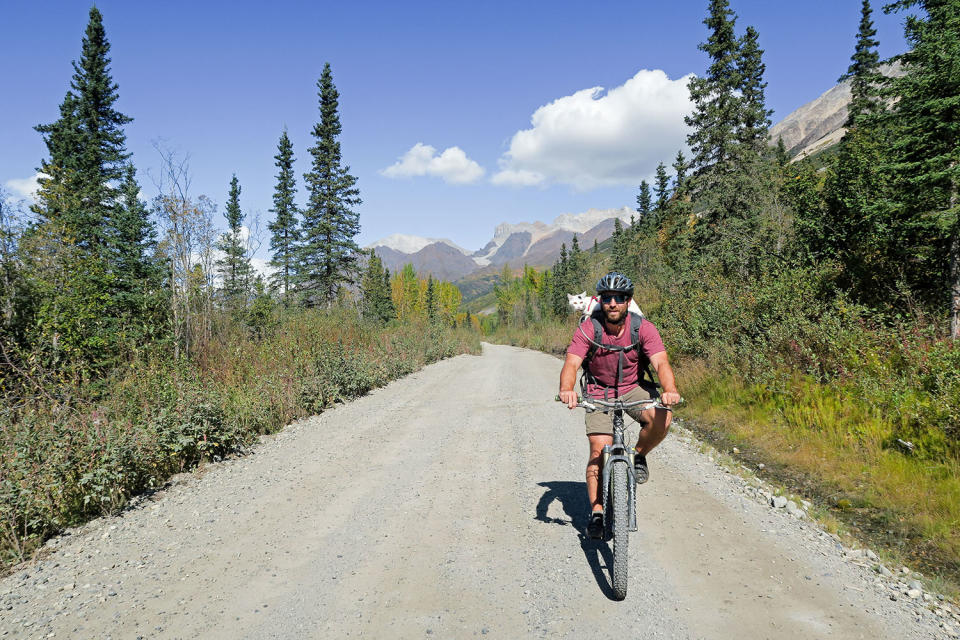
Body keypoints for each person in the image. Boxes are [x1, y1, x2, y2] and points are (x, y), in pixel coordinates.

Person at [558, 272, 681, 539]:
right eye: (607, 298)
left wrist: (669, 390)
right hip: (598, 391)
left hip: (632, 389)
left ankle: (637, 455)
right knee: (596, 450)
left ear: (628, 301)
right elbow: (572, 362)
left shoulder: (643, 328)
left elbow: (660, 362)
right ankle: (598, 512)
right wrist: (567, 389)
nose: (612, 303)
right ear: (600, 301)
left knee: (662, 418)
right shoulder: (589, 328)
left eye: (618, 298)